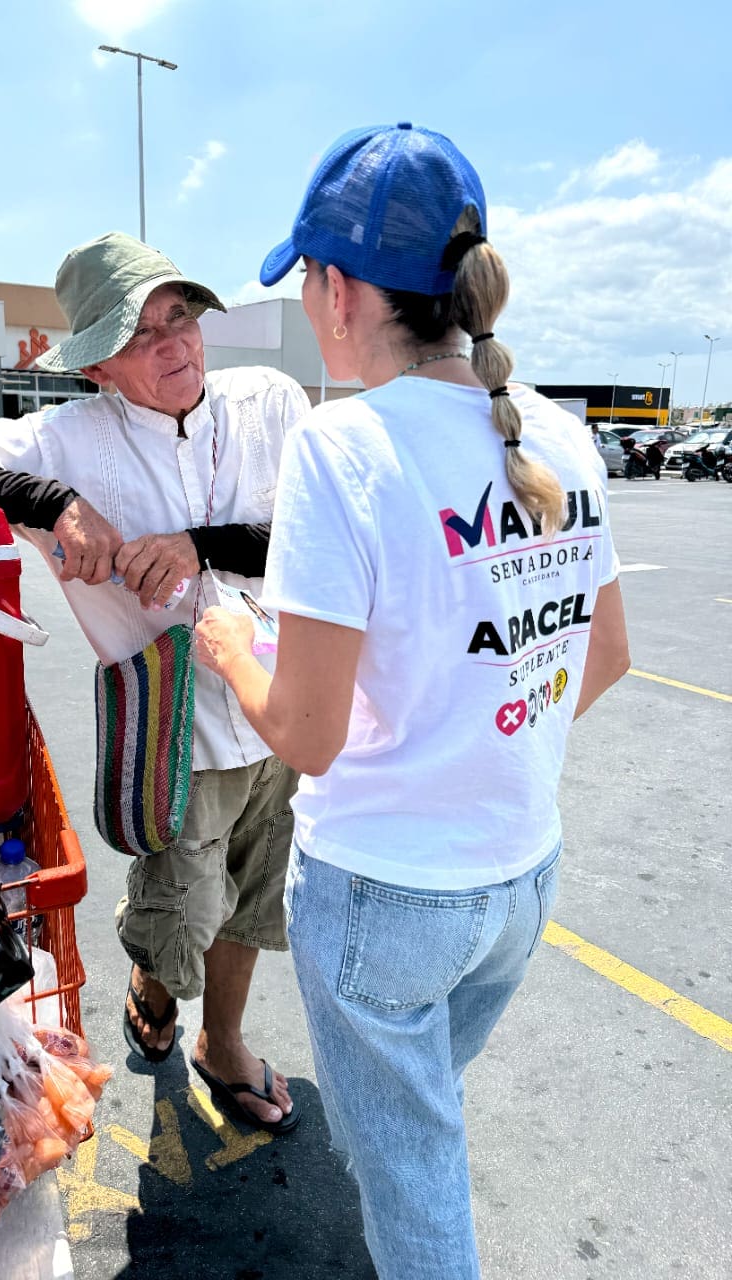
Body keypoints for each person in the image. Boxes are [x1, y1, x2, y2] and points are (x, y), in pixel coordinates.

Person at [195, 123, 630, 1276]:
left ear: (340, 291)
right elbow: (605, 653)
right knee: (411, 1111)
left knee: (419, 1185)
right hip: (520, 875)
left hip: (384, 893)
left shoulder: (343, 445)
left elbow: (307, 733)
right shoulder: (565, 435)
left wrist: (232, 649)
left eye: (307, 281)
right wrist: (482, 733)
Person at [0, 231, 312, 1133]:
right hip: (177, 733)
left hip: (279, 705)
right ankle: (154, 990)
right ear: (95, 369)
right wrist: (52, 504)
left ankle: (223, 1041)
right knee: (180, 909)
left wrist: (198, 547)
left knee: (255, 895)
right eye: (138, 334)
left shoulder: (271, 401)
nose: (173, 344)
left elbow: (321, 539)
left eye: (179, 315)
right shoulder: (66, 440)